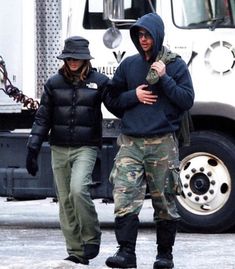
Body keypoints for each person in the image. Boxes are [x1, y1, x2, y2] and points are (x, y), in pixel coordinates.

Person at [105, 13, 194, 269]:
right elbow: (111, 99)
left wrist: (164, 78)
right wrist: (134, 96)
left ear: (157, 36)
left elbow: (186, 100)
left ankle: (164, 255)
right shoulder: (129, 65)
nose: (143, 40)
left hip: (162, 142)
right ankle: (126, 253)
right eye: (139, 35)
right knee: (124, 196)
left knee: (164, 200)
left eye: (147, 35)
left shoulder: (175, 65)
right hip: (130, 142)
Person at [26, 36, 111, 265]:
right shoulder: (53, 83)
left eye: (78, 58)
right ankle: (76, 251)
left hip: (86, 146)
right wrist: (33, 146)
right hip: (59, 147)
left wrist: (134, 96)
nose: (73, 61)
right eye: (70, 57)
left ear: (85, 59)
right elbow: (43, 117)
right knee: (64, 200)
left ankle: (91, 238)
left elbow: (117, 103)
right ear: (65, 58)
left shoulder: (100, 82)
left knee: (77, 190)